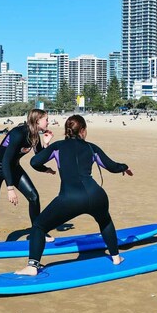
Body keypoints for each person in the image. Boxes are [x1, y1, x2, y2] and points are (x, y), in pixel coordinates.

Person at [15, 114, 133, 275]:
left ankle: (32, 266)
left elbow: (35, 162)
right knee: (105, 222)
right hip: (97, 195)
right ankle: (116, 257)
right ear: (83, 131)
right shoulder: (92, 147)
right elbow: (112, 166)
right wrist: (124, 167)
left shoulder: (57, 147)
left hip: (70, 198)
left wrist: (46, 147)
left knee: (39, 226)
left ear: (67, 131)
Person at [0, 109, 56, 247]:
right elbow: (5, 161)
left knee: (34, 197)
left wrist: (46, 145)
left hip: (13, 168)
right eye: (46, 119)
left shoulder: (34, 136)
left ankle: (37, 232)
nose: (48, 121)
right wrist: (10, 188)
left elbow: (37, 160)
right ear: (37, 120)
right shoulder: (18, 133)